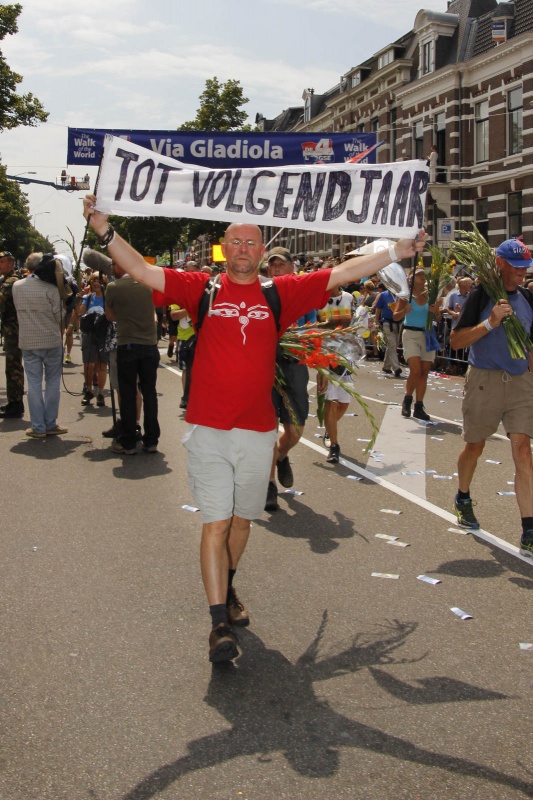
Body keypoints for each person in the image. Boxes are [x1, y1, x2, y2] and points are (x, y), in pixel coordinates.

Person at [83, 192, 426, 662]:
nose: (243, 249)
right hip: (207, 429)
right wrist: (104, 228)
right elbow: (141, 271)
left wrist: (395, 252)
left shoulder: (277, 293)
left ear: (262, 252)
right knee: (215, 522)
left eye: (251, 243)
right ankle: (218, 622)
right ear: (225, 250)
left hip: (258, 431)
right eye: (235, 242)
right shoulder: (200, 287)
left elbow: (342, 273)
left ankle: (229, 583)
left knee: (242, 522)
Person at [449, 238, 533, 558]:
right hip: (484, 380)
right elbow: (456, 341)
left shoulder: (527, 297)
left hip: (520, 383)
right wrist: (491, 322)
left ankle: (529, 528)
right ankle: (463, 496)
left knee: (523, 451)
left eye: (526, 266)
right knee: (475, 445)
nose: (523, 272)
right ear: (500, 265)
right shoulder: (481, 296)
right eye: (517, 266)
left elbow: (531, 347)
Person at [264, 246, 311, 512]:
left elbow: (315, 327)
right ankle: (269, 485)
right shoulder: (259, 293)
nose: (277, 268)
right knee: (268, 429)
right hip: (266, 367)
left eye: (282, 264)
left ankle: (282, 456)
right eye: (273, 265)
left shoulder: (303, 292)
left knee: (295, 430)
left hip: (295, 365)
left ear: (292, 267)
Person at [105, 258, 160, 455]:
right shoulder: (148, 285)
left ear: (121, 265)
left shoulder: (113, 286)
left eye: (113, 265)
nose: (112, 268)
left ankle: (128, 441)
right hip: (149, 344)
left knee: (128, 393)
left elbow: (110, 316)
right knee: (150, 392)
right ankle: (151, 439)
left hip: (127, 343)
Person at [11, 254, 67, 438]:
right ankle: (50, 423)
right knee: (52, 382)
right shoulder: (51, 289)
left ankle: (38, 427)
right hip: (51, 340)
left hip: (28, 340)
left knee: (34, 384)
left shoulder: (16, 287)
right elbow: (60, 316)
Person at [394, 268, 441, 421]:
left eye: (423, 274)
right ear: (411, 279)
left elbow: (438, 318)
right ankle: (408, 399)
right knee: (415, 369)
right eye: (419, 274)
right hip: (411, 334)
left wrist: (436, 312)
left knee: (425, 370)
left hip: (427, 333)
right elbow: (396, 316)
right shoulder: (406, 297)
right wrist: (404, 311)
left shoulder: (430, 295)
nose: (422, 276)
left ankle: (419, 405)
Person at [317, 285, 356, 463]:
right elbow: (316, 327)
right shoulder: (318, 301)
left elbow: (354, 324)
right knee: (330, 401)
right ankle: (334, 445)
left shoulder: (348, 298)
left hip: (345, 354)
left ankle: (329, 427)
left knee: (344, 403)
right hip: (326, 353)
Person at [76, 273, 108, 406]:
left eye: (99, 281)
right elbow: (79, 312)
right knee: (88, 364)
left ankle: (100, 393)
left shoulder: (108, 299)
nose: (96, 283)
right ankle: (88, 390)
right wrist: (78, 299)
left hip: (103, 335)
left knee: (101, 365)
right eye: (94, 281)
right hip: (89, 334)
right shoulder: (88, 298)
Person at [0, 251, 24, 419]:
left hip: (13, 329)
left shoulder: (10, 282)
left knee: (13, 366)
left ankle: (16, 404)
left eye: (1, 262)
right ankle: (13, 401)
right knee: (12, 366)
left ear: (10, 263)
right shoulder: (8, 280)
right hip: (11, 328)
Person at [373, 280, 403, 377]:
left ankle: (386, 366)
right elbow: (378, 308)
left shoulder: (400, 296)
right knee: (392, 343)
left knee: (393, 345)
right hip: (387, 322)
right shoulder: (384, 295)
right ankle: (396, 367)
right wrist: (376, 321)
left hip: (398, 323)